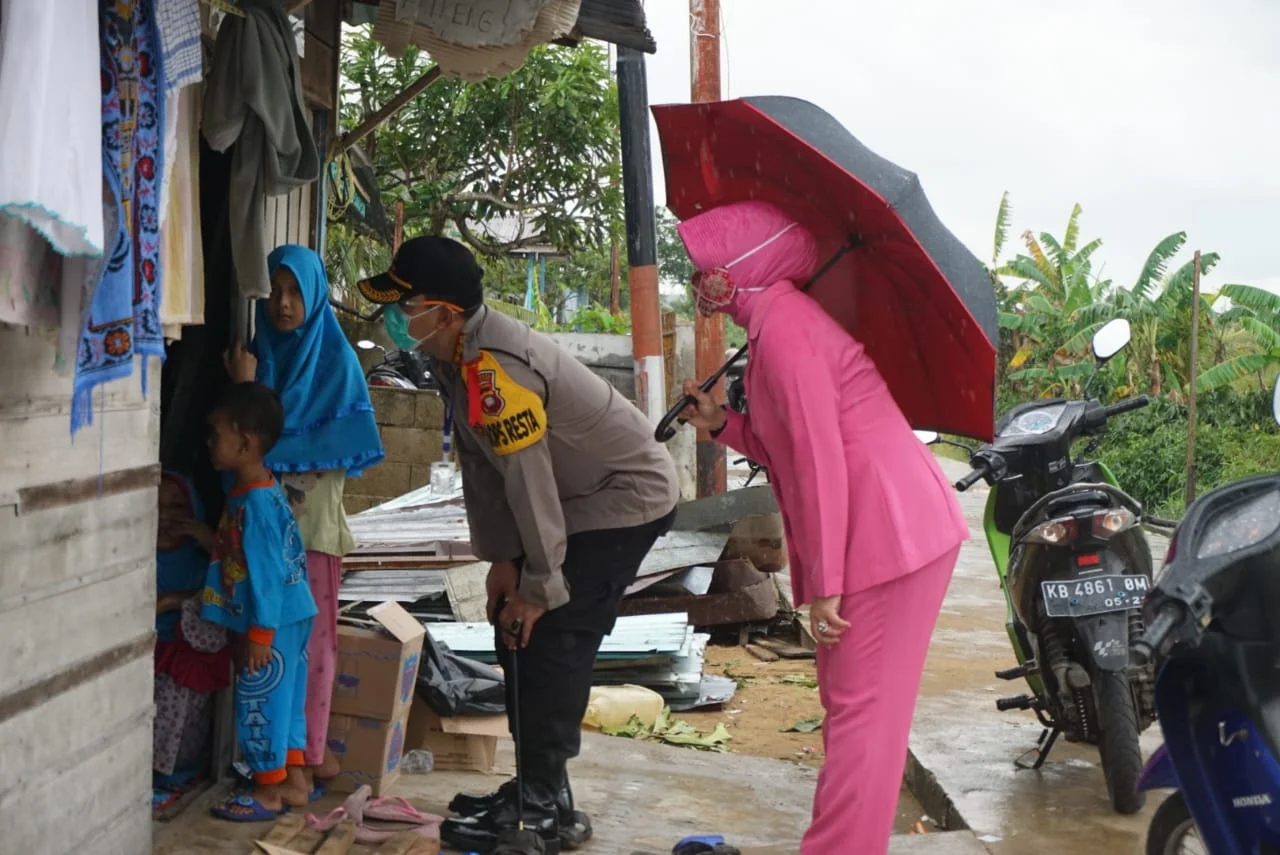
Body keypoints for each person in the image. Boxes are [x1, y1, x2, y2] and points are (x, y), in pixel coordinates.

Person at [356, 236, 680, 855]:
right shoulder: (458, 355)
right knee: (517, 633)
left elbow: (529, 480)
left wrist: (540, 586)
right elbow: (484, 469)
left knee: (552, 637)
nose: (395, 318)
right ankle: (538, 787)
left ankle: (546, 813)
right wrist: (504, 561)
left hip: (621, 500)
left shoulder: (496, 367)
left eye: (407, 305)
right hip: (574, 500)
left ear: (446, 313)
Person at [675, 200, 969, 855]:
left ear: (750, 265)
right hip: (882, 531)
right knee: (854, 708)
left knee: (865, 716)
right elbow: (790, 445)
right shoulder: (774, 326)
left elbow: (819, 459)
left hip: (889, 535)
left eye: (713, 267)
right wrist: (722, 423)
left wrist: (827, 581)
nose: (703, 285)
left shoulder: (785, 332)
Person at [226, 244, 384, 797]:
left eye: (295, 292)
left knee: (311, 648)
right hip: (266, 544)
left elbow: (263, 442)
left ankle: (309, 757)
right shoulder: (264, 355)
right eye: (275, 290)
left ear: (315, 295)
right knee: (277, 647)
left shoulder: (333, 363)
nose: (283, 303)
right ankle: (301, 756)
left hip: (311, 538)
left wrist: (250, 393)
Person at [200, 382, 319, 822]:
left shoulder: (255, 503)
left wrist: (259, 634)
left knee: (260, 701)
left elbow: (265, 574)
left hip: (269, 622)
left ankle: (267, 792)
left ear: (245, 443)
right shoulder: (262, 491)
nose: (209, 444)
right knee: (287, 700)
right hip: (292, 614)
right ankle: (296, 781)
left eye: (216, 435)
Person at [153, 471, 230, 804]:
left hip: (184, 664)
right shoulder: (130, 560)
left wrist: (172, 601)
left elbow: (225, 598)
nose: (167, 517)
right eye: (155, 507)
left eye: (178, 506)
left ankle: (176, 773)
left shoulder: (203, 565)